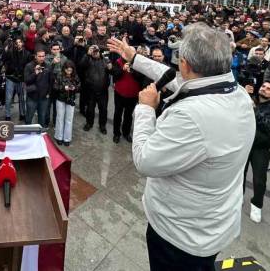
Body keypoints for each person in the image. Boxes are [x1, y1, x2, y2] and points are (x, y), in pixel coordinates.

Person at [107, 23, 255, 271]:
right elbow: (180, 82)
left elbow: (145, 161)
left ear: (185, 64)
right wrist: (135, 58)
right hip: (211, 223)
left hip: (181, 235)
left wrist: (145, 109)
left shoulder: (192, 116)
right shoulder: (236, 92)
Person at [243, 80, 270, 223]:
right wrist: (242, 94)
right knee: (238, 175)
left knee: (259, 180)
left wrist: (254, 110)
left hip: (260, 149)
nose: (264, 89)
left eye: (269, 89)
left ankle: (256, 205)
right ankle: (237, 199)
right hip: (244, 144)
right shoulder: (248, 99)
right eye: (263, 87)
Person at [79, 45, 112, 134]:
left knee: (103, 109)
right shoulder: (87, 59)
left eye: (96, 51)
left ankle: (102, 126)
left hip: (103, 90)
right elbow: (81, 66)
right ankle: (89, 123)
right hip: (90, 90)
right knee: (90, 109)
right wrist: (87, 54)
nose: (95, 52)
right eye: (93, 51)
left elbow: (111, 71)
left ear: (99, 51)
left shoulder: (105, 59)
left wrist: (111, 68)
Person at [111, 55, 141, 144]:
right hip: (119, 93)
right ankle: (116, 134)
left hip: (133, 95)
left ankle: (126, 133)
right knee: (118, 114)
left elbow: (140, 78)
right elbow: (115, 75)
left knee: (128, 115)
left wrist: (132, 71)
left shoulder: (138, 63)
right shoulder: (118, 61)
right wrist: (122, 69)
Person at [2, 36, 31, 122]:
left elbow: (28, 66)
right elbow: (4, 60)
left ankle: (22, 114)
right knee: (8, 97)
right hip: (10, 77)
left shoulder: (27, 53)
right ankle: (7, 115)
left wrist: (25, 77)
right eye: (16, 42)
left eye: (20, 42)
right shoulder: (10, 52)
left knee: (22, 97)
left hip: (21, 78)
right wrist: (6, 50)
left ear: (22, 43)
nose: (18, 44)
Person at [23, 49, 52, 127]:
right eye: (39, 56)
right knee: (29, 117)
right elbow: (26, 80)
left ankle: (40, 135)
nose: (41, 58)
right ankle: (27, 134)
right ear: (35, 56)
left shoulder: (48, 65)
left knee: (42, 118)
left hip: (44, 97)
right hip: (32, 96)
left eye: (43, 56)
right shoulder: (29, 66)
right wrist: (35, 73)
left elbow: (50, 81)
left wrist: (49, 93)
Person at [53, 61, 79, 146]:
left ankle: (67, 138)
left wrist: (74, 88)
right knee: (60, 118)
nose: (69, 72)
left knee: (69, 119)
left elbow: (79, 86)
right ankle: (59, 137)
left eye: (70, 70)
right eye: (67, 70)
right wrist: (64, 88)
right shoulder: (59, 75)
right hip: (60, 99)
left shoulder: (75, 76)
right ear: (64, 69)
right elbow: (55, 87)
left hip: (71, 99)